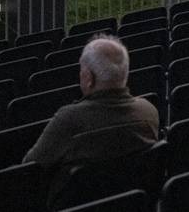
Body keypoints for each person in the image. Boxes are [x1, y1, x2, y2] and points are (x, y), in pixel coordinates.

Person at [23, 36, 159, 187]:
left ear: (88, 78)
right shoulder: (148, 111)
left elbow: (30, 167)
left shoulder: (69, 120)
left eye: (82, 70)